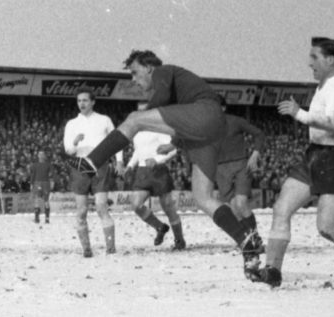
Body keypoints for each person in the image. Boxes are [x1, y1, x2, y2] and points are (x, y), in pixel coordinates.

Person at [64, 50, 262, 274]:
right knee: (203, 198)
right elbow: (183, 119)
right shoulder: (180, 90)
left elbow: (164, 98)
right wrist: (175, 142)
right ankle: (247, 242)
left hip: (205, 114)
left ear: (148, 68)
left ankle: (91, 162)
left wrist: (144, 117)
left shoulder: (163, 72)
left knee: (134, 119)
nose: (133, 79)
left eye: (135, 72)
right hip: (211, 129)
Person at [251, 37, 334, 290]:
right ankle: (273, 270)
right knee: (281, 209)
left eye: (314, 57)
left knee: (326, 227)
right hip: (313, 155)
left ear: (330, 59)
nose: (310, 63)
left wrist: (299, 113)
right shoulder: (323, 86)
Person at [63, 88, 123, 257]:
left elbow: (116, 141)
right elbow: (68, 150)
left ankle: (110, 248)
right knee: (81, 211)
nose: (81, 103)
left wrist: (119, 161)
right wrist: (75, 143)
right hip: (80, 166)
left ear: (93, 102)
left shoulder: (104, 120)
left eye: (85, 100)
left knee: (101, 206)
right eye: (79, 101)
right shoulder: (72, 124)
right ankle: (86, 249)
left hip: (99, 165)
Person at [124, 103, 185, 250]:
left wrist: (157, 160)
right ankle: (159, 227)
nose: (140, 115)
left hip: (159, 172)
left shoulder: (160, 129)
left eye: (144, 112)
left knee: (168, 208)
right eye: (138, 112)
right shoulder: (137, 132)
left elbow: (172, 150)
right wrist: (130, 165)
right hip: (142, 172)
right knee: (135, 204)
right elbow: (137, 152)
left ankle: (180, 240)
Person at [216, 95, 267, 244]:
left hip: (240, 165)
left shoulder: (235, 121)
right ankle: (248, 240)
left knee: (241, 203)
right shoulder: (206, 127)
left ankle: (255, 239)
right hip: (219, 169)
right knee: (233, 207)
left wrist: (255, 153)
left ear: (223, 108)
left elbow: (259, 134)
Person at [29, 150, 53, 224]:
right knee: (41, 200)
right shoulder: (36, 165)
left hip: (42, 183)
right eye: (40, 154)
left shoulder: (47, 165)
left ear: (44, 156)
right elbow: (33, 174)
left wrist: (52, 182)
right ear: (38, 156)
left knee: (42, 200)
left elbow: (51, 175)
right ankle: (41, 218)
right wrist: (31, 183)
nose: (41, 156)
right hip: (40, 183)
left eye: (42, 154)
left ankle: (43, 218)